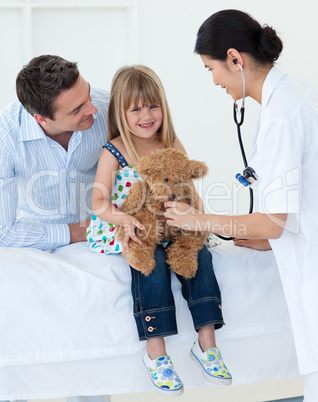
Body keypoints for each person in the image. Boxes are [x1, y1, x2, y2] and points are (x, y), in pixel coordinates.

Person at [164, 9, 318, 402]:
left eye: (210, 69)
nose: (215, 80)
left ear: (235, 59)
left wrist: (197, 218)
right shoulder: (293, 98)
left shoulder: (282, 117)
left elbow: (272, 221)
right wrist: (272, 240)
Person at [86, 65, 232, 396]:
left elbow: (189, 191)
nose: (146, 115)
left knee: (198, 255)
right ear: (121, 113)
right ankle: (156, 351)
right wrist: (124, 221)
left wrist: (201, 222)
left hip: (173, 223)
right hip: (135, 225)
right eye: (135, 109)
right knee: (148, 259)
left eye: (153, 106)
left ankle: (206, 343)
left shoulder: (172, 143)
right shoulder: (115, 149)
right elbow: (97, 200)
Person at [0, 55, 110, 402]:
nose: (91, 108)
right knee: (21, 356)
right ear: (41, 118)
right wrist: (75, 231)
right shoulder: (6, 136)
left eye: (88, 94)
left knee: (91, 358)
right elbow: (1, 232)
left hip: (99, 246)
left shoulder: (107, 108)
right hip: (36, 246)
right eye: (77, 109)